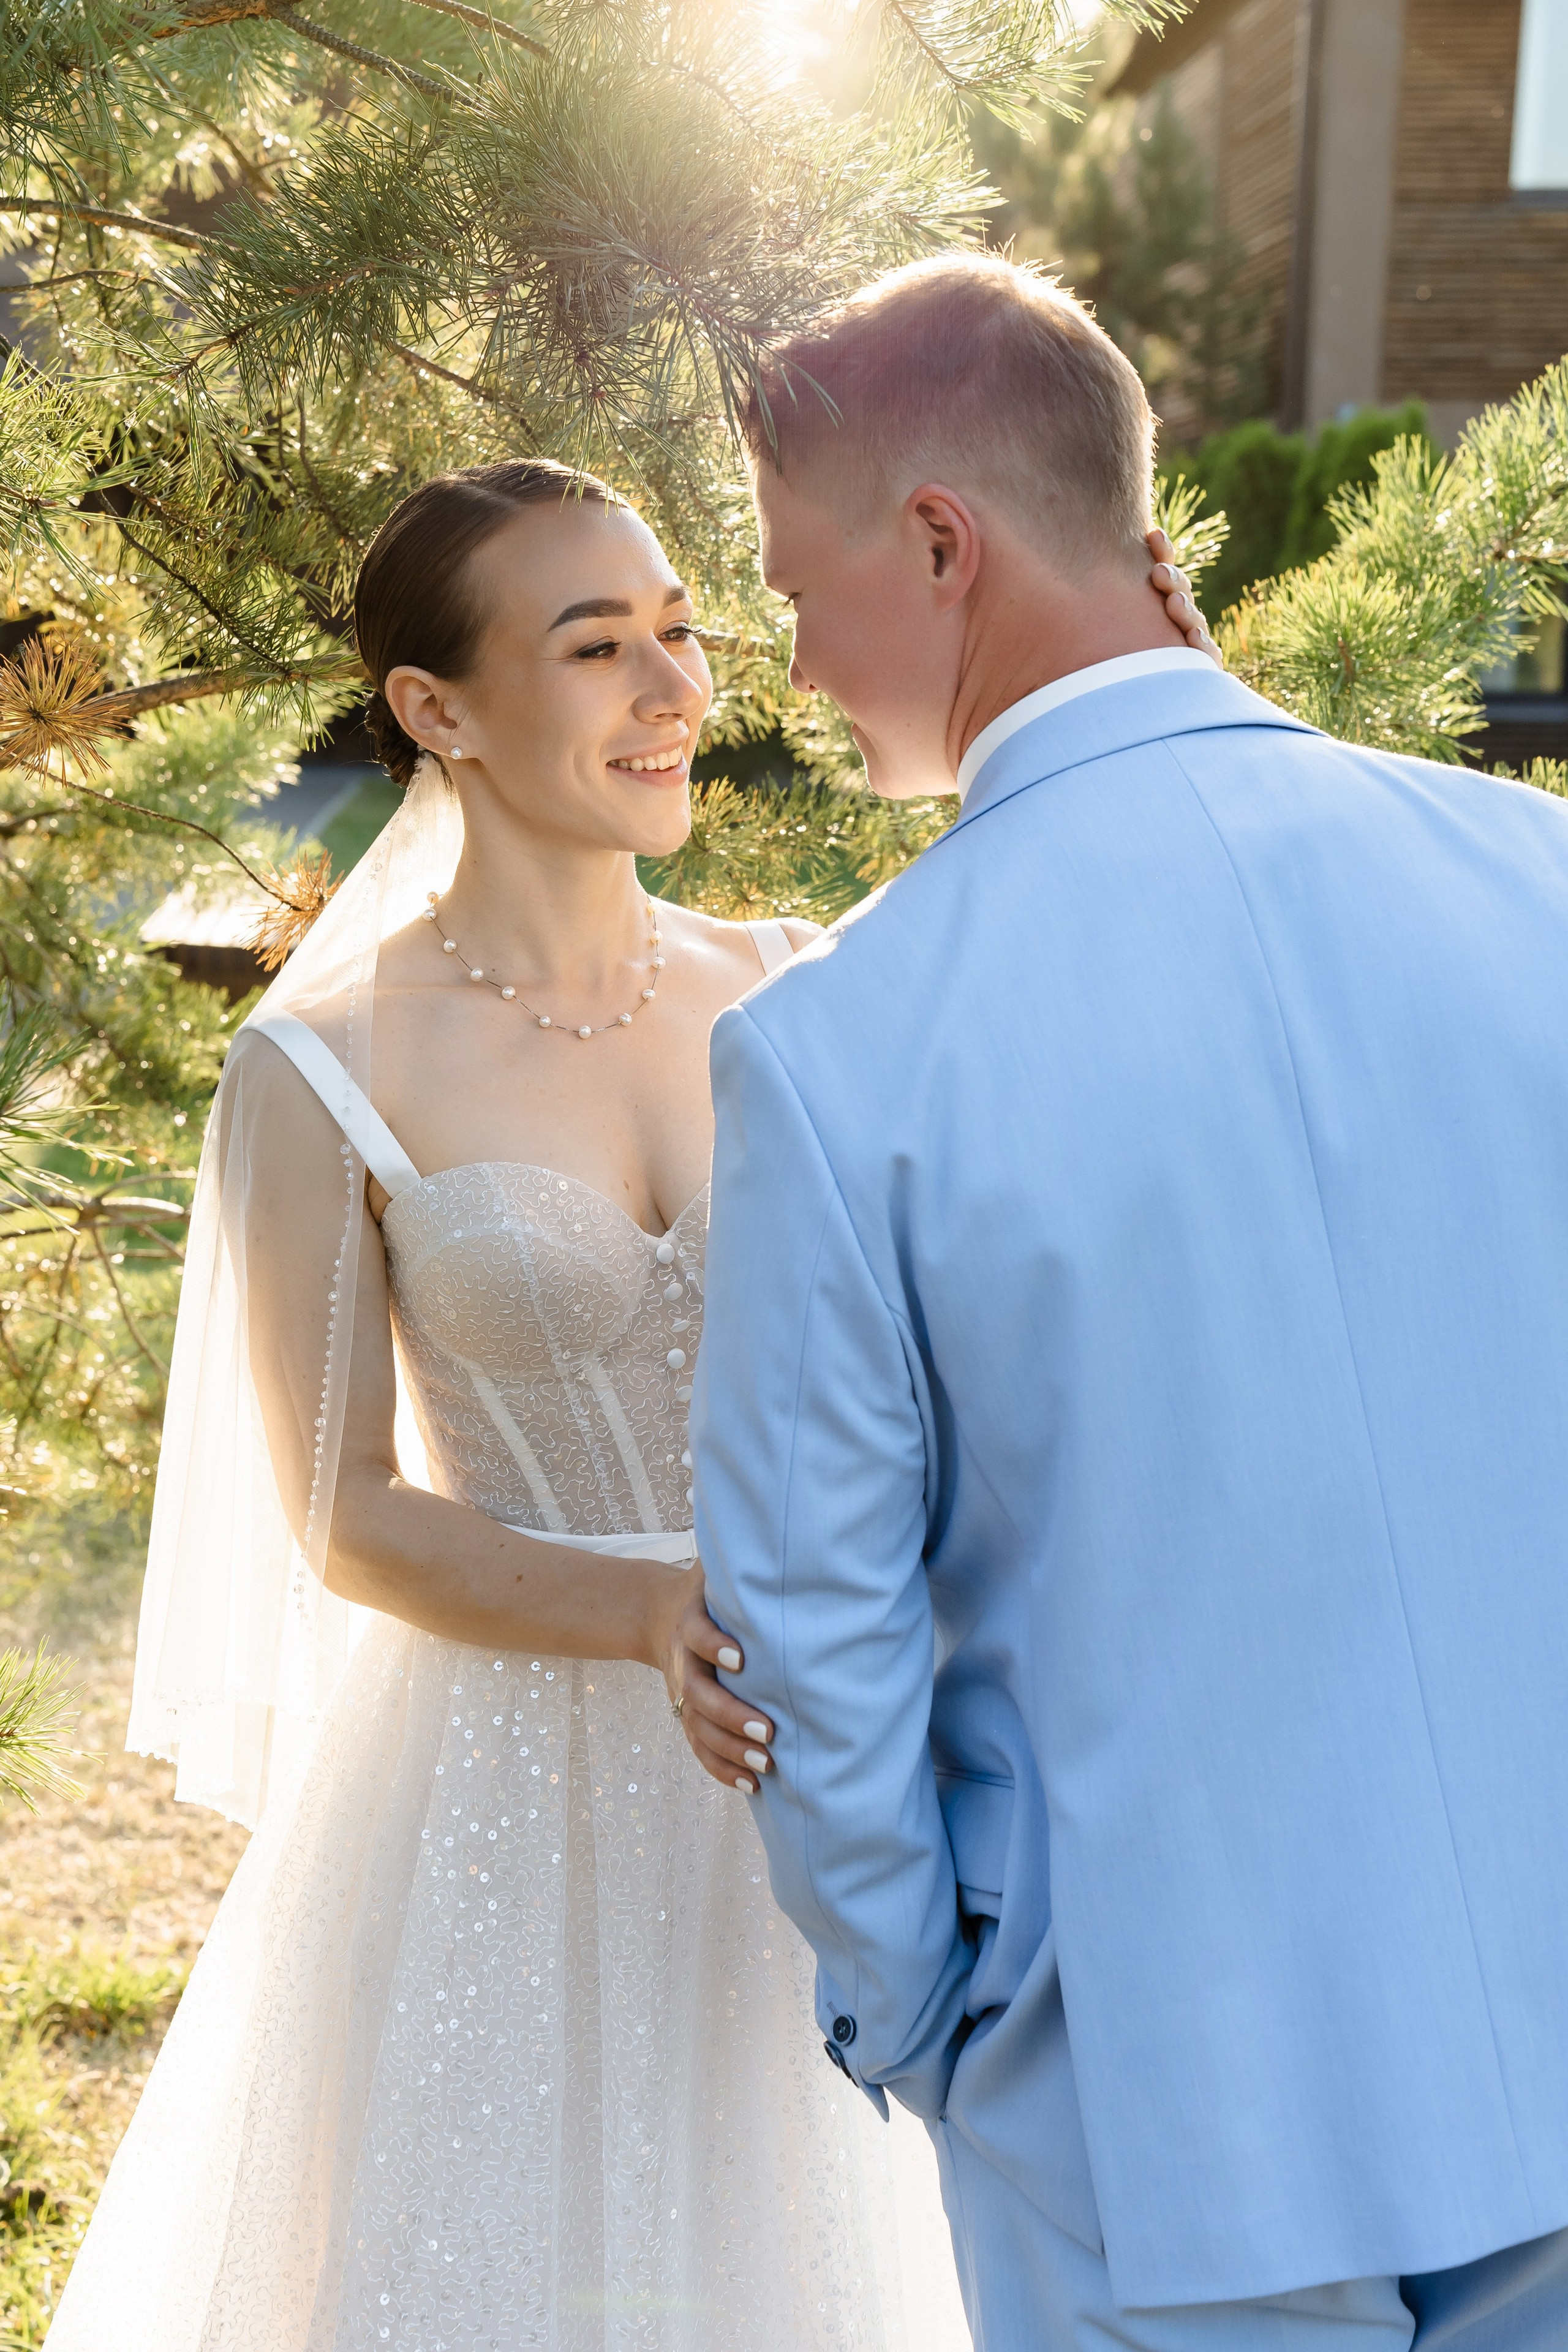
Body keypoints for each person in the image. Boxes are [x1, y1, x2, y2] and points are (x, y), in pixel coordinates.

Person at [50, 453, 1201, 2351]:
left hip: (832, 1737)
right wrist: (649, 1611)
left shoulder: (801, 988)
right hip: (510, 1770)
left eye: (680, 633)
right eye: (599, 649)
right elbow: (344, 1509)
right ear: (438, 710)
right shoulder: (323, 1065)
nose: (677, 693)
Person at [692, 252, 1568, 2352]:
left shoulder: (840, 1051)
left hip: (1153, 2097)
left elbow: (813, 1622)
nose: (789, 663)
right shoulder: (1539, 884)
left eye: (796, 589)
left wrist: (926, 2027)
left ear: (938, 544)